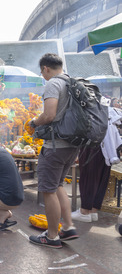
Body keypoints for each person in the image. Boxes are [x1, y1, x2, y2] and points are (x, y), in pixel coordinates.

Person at [28, 53, 80, 249]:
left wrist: (33, 122)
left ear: (46, 69)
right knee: (58, 185)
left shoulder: (53, 84)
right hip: (72, 145)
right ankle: (68, 226)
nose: (43, 76)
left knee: (48, 191)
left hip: (55, 145)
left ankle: (51, 236)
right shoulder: (72, 82)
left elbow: (49, 115)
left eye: (42, 72)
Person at [73, 105, 122, 222]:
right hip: (109, 146)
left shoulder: (89, 109)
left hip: (94, 143)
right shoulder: (107, 110)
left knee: (89, 178)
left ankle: (85, 212)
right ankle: (93, 211)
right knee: (101, 178)